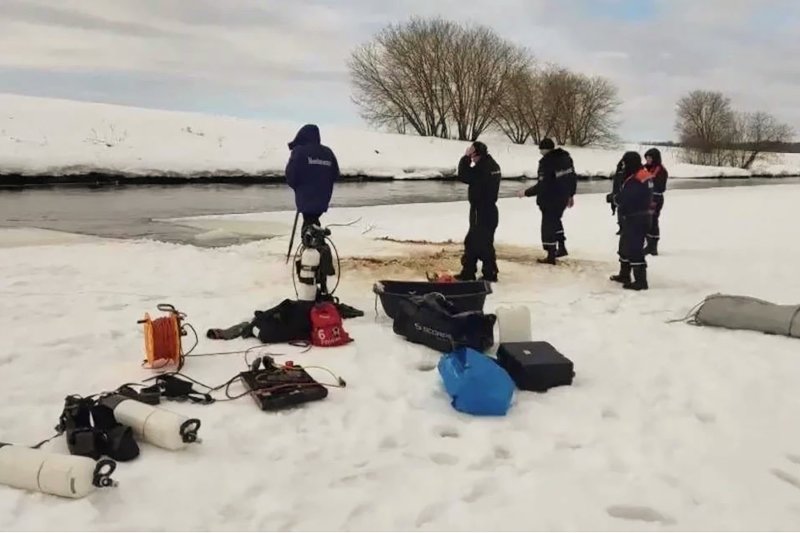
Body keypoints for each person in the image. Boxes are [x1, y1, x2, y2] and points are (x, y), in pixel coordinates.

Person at [517, 138, 577, 265]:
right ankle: (561, 247)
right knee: (556, 221)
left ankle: (550, 255)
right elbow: (572, 178)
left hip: (550, 198)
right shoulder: (566, 159)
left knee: (548, 225)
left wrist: (526, 193)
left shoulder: (547, 162)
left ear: (544, 149)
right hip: (562, 197)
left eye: (541, 149)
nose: (540, 152)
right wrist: (571, 195)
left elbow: (543, 185)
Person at [454, 141, 501, 282]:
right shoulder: (493, 165)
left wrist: (465, 157)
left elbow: (463, 175)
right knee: (481, 241)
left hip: (480, 210)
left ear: (477, 154)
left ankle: (486, 273)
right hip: (490, 209)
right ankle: (473, 271)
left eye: (472, 155)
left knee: (476, 242)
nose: (472, 159)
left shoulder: (482, 168)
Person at [610, 151, 654, 291]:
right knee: (624, 245)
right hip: (637, 216)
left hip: (637, 217)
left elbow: (627, 198)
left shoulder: (637, 178)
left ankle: (641, 281)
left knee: (635, 248)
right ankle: (624, 274)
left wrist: (613, 199)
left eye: (624, 163)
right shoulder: (643, 174)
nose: (623, 166)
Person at [285, 124, 340, 231]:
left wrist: (297, 186)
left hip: (305, 195)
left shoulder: (299, 151)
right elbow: (335, 173)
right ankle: (316, 240)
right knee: (312, 220)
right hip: (324, 196)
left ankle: (314, 242)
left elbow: (291, 174)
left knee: (309, 222)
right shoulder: (328, 152)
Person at [643, 147, 668, 255]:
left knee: (652, 220)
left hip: (655, 198)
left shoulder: (661, 170)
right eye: (647, 158)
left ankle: (653, 246)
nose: (648, 160)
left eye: (649, 158)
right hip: (647, 198)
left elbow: (661, 187)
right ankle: (649, 244)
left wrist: (648, 183)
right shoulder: (645, 168)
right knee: (646, 220)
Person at [606, 157, 625, 235]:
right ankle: (621, 227)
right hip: (619, 196)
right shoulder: (618, 174)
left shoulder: (628, 174)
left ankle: (624, 228)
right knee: (620, 213)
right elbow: (615, 187)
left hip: (625, 196)